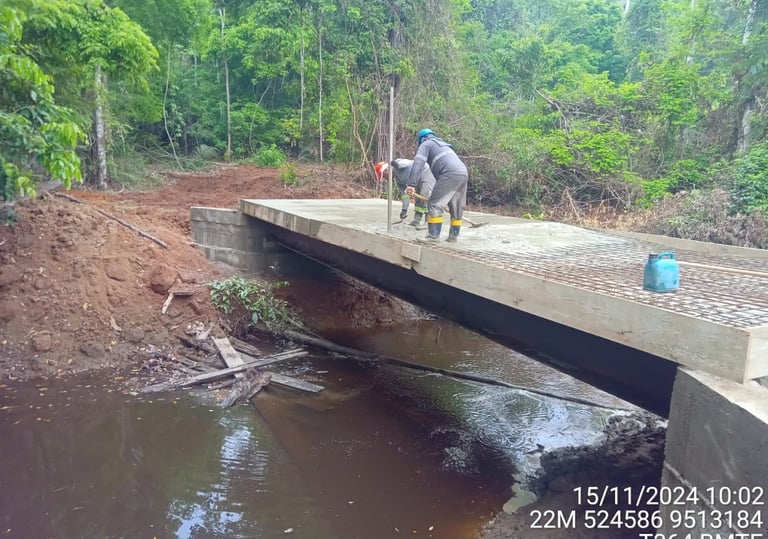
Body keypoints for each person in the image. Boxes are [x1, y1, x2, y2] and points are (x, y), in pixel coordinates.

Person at [404, 128, 468, 242]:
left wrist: (411, 184)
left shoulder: (426, 144)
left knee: (434, 203)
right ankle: (453, 236)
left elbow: (418, 163)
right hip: (463, 172)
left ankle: (433, 236)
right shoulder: (444, 145)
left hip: (449, 173)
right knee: (456, 205)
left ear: (421, 140)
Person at [374, 158, 435, 226]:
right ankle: (417, 219)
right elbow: (404, 195)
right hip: (416, 181)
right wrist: (404, 209)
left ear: (387, 170)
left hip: (425, 172)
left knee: (425, 196)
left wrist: (396, 164)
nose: (386, 179)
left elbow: (407, 163)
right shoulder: (399, 180)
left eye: (385, 176)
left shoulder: (398, 164)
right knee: (418, 200)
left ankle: (428, 221)